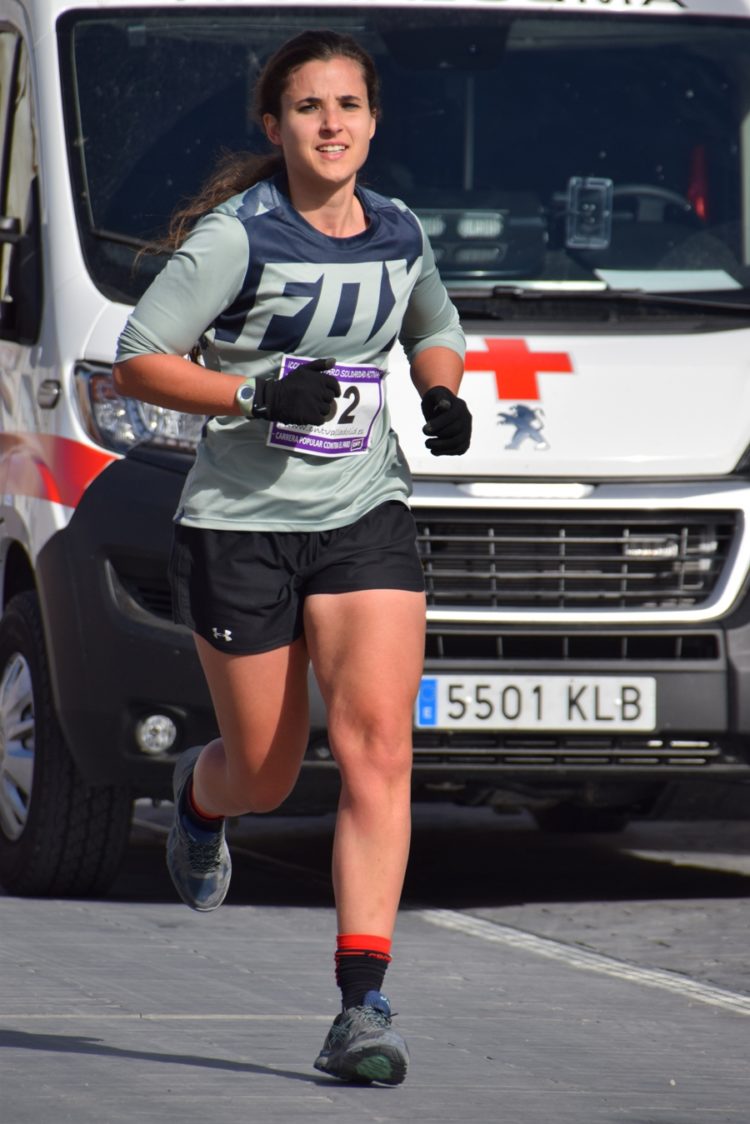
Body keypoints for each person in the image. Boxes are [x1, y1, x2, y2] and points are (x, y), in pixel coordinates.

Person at [113, 28, 471, 1087]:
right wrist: (256, 392)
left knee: (377, 754)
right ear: (276, 127)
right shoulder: (238, 237)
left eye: (348, 106)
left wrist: (442, 390)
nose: (331, 125)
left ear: (371, 121)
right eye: (308, 108)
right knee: (266, 769)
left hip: (366, 511)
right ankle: (201, 797)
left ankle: (361, 1006)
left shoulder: (398, 230)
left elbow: (434, 319)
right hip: (241, 524)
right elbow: (140, 358)